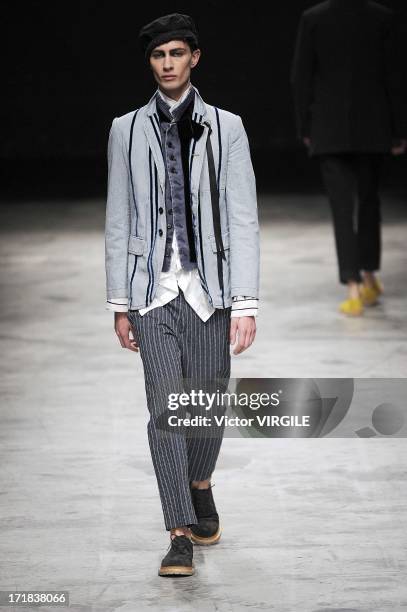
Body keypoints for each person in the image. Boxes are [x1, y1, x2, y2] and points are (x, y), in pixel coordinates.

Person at [104, 13, 260, 576]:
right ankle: (178, 531)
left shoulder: (228, 126)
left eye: (176, 53)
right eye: (157, 55)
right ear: (150, 62)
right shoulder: (126, 128)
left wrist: (245, 303)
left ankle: (200, 482)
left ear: (195, 57)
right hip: (151, 292)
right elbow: (118, 219)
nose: (167, 64)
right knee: (165, 409)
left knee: (207, 403)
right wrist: (118, 303)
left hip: (210, 291)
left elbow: (243, 219)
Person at [291, 0, 406, 316]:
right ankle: (369, 276)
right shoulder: (381, 17)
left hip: (329, 129)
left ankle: (354, 287)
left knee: (342, 208)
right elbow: (394, 76)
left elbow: (301, 77)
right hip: (374, 126)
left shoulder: (313, 18)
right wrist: (398, 130)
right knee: (370, 202)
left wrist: (305, 126)